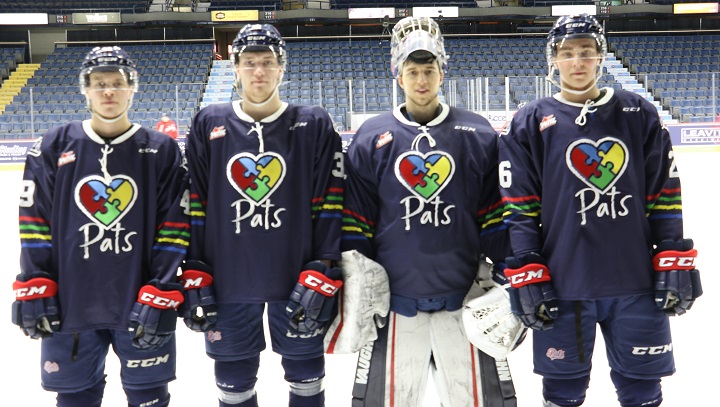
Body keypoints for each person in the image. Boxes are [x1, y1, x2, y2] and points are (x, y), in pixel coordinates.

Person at [498, 14, 703, 407]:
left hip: (635, 282)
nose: (578, 62)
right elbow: (519, 207)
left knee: (642, 389)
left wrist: (671, 253)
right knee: (563, 391)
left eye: (587, 53)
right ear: (553, 60)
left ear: (600, 58)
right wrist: (527, 265)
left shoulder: (638, 113)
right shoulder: (529, 121)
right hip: (563, 283)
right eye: (568, 53)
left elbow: (664, 193)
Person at [341, 16, 518, 406]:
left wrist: (511, 271)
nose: (421, 80)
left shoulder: (478, 134)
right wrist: (355, 283)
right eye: (412, 71)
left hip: (468, 303)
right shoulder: (371, 136)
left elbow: (493, 215)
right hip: (394, 308)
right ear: (398, 76)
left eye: (429, 70)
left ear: (443, 72)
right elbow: (357, 221)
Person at [13, 46, 189, 407]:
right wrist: (35, 280)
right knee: (76, 397)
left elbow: (175, 226)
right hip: (71, 304)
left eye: (117, 83)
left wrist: (162, 286)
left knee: (148, 397)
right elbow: (34, 222)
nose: (108, 91)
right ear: (85, 89)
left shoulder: (162, 150)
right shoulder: (52, 145)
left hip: (141, 302)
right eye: (99, 83)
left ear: (132, 88)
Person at [183, 24, 344, 407]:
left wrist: (325, 264)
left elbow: (332, 201)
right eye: (250, 62)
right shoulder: (209, 122)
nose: (259, 71)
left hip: (299, 279)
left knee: (307, 377)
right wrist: (194, 266)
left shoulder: (314, 123)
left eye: (267, 62)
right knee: (234, 382)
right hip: (228, 282)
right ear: (234, 68)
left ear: (281, 68)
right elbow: (194, 202)